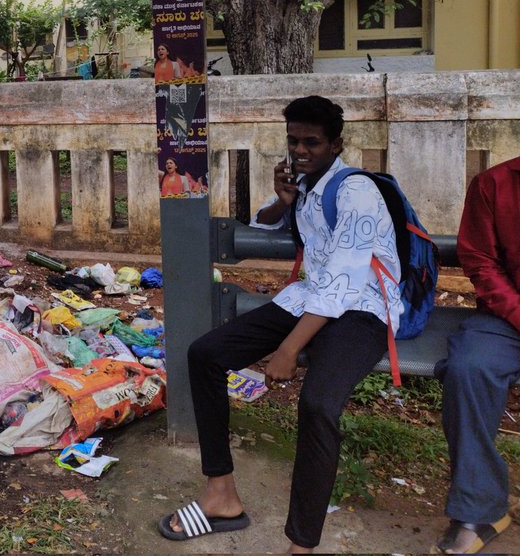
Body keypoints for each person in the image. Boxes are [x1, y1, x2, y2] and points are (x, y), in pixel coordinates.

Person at [157, 95, 402, 553]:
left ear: (336, 143)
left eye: (312, 142)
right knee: (205, 354)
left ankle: (301, 543)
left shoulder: (356, 192)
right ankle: (221, 493)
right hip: (311, 298)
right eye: (294, 141)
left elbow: (344, 285)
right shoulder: (307, 182)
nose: (300, 150)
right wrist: (284, 201)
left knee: (318, 405)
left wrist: (288, 349)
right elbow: (267, 226)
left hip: (363, 309)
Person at [431, 156, 520, 554]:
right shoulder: (495, 184)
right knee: (469, 369)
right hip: (507, 317)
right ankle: (479, 510)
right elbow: (480, 261)